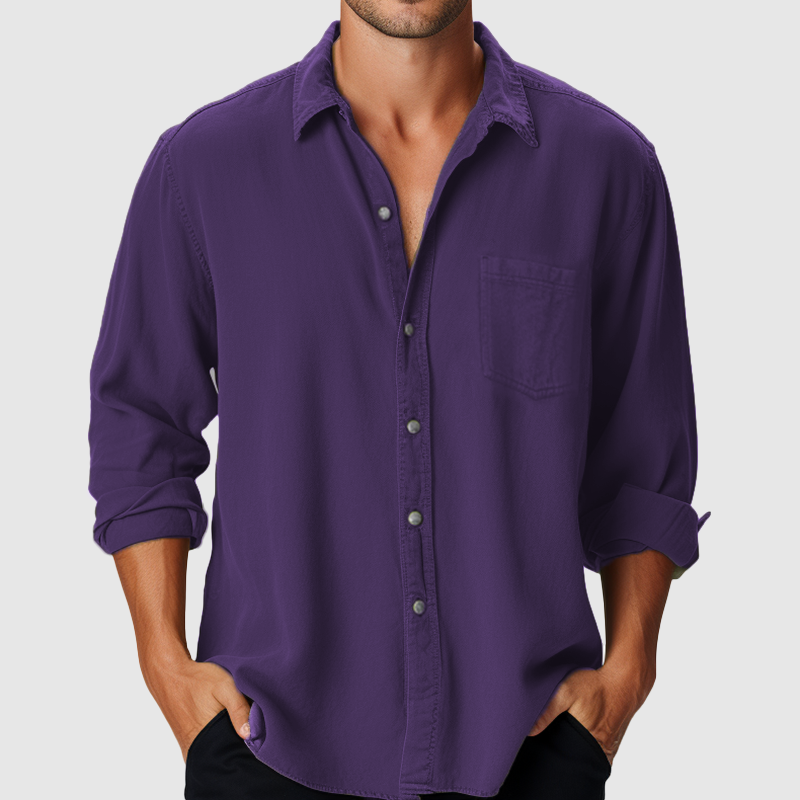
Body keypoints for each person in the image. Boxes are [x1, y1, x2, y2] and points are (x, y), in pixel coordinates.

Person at [87, 2, 711, 799]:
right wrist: (164, 664)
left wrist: (627, 673)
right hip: (267, 745)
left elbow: (644, 456)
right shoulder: (205, 168)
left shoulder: (606, 170)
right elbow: (139, 422)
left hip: (528, 750)